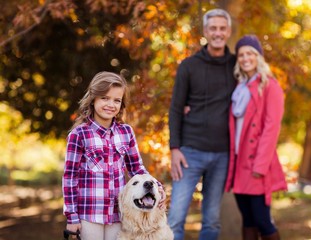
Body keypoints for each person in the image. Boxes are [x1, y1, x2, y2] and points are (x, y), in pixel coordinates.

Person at [62, 71, 165, 240]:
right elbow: (69, 178)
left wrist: (157, 187)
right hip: (89, 214)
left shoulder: (126, 132)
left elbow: (136, 169)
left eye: (117, 100)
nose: (111, 104)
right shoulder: (79, 135)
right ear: (93, 99)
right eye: (105, 98)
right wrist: (72, 216)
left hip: (118, 214)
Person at [168, 8, 236, 240]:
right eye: (213, 28)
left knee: (212, 221)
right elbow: (176, 108)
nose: (218, 32)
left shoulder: (237, 66)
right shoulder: (188, 66)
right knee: (175, 218)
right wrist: (174, 148)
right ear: (206, 31)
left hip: (222, 154)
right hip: (189, 153)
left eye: (222, 28)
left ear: (228, 31)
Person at [224, 35, 288, 240]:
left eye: (250, 53)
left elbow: (271, 130)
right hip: (239, 161)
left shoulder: (270, 86)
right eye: (241, 54)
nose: (245, 58)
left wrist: (260, 166)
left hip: (258, 164)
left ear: (258, 57)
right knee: (248, 220)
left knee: (262, 220)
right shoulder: (239, 87)